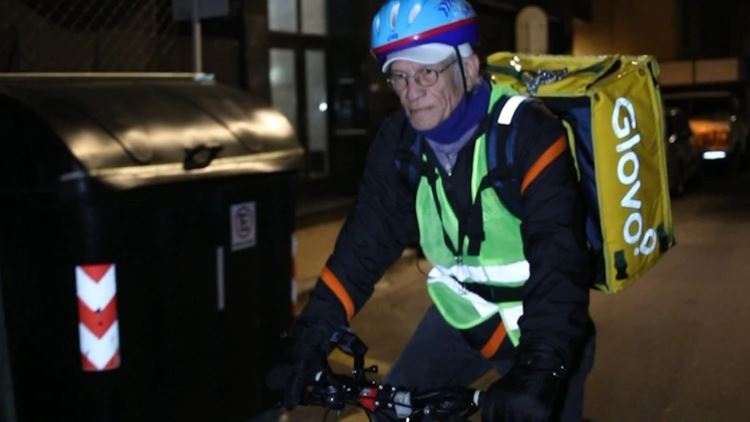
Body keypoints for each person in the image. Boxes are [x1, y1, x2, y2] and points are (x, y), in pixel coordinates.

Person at [268, 0, 595, 420]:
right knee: (393, 412)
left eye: (427, 72)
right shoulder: (400, 143)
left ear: (470, 68)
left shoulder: (529, 135)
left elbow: (559, 262)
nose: (411, 91)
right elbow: (364, 245)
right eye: (399, 77)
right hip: (466, 319)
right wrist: (308, 337)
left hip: (545, 329)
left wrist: (540, 371)